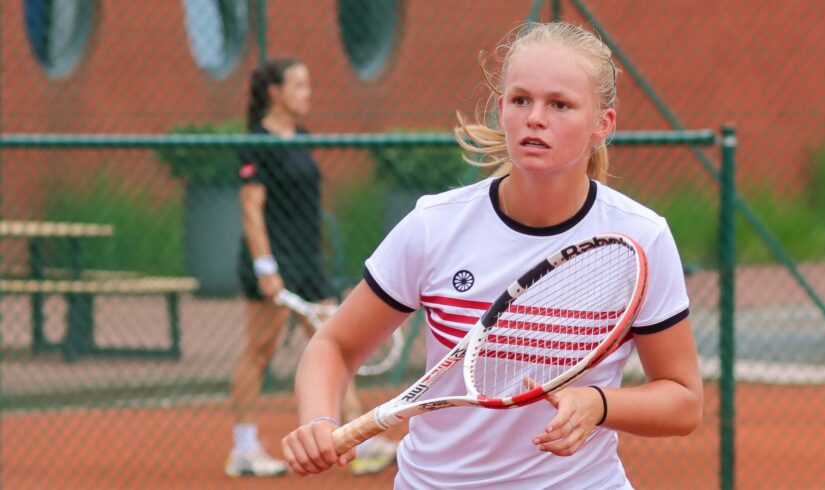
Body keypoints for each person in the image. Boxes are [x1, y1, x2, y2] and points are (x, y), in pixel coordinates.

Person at [280, 22, 703, 488]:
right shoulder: (435, 225)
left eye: (559, 104)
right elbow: (334, 345)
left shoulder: (641, 237)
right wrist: (318, 418)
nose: (535, 117)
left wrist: (599, 404)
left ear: (603, 124)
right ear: (502, 109)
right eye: (521, 100)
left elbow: (683, 400)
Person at [226, 57, 398, 478]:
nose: (307, 93)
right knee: (260, 350)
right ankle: (244, 449)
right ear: (275, 93)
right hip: (271, 263)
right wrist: (266, 268)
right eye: (299, 85)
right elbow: (251, 209)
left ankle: (362, 441)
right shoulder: (256, 141)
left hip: (307, 262)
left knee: (337, 347)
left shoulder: (300, 136)